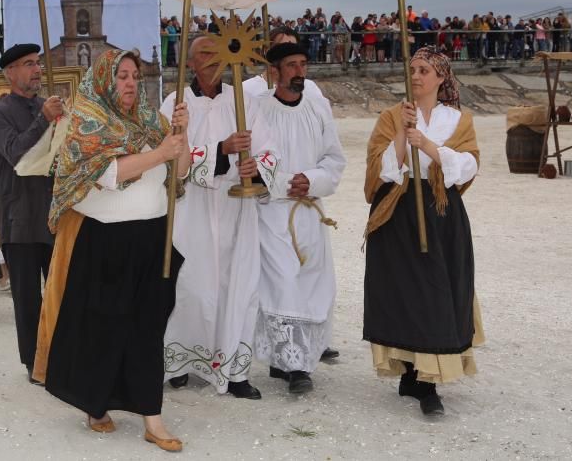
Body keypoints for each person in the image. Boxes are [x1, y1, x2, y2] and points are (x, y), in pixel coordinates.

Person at [33, 49, 191, 452]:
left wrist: (181, 135)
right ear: (104, 78)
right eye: (121, 75)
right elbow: (107, 173)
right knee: (102, 327)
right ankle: (95, 402)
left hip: (153, 237)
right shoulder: (85, 120)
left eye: (135, 76)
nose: (129, 83)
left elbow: (183, 170)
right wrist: (161, 153)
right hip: (105, 241)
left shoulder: (153, 120)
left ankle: (152, 418)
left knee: (148, 328)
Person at [363, 46, 483, 416]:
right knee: (405, 292)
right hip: (399, 212)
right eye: (412, 69)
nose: (416, 76)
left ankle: (428, 380)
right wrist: (402, 131)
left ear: (441, 77)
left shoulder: (458, 120)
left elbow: (469, 166)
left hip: (441, 214)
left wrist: (429, 146)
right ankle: (412, 372)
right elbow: (380, 170)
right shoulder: (391, 116)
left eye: (424, 70)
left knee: (437, 290)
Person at [162, 36, 280, 400]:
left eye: (218, 56)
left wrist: (255, 168)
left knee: (238, 287)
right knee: (190, 287)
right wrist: (222, 152)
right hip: (192, 209)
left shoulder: (243, 102)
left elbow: (270, 150)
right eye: (205, 56)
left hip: (235, 209)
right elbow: (169, 154)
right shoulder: (176, 103)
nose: (213, 63)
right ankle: (180, 362)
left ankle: (235, 371)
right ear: (192, 62)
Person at [252, 43, 346, 394]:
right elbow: (253, 158)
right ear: (274, 72)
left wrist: (313, 179)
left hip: (311, 211)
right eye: (291, 65)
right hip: (273, 212)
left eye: (303, 64)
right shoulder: (257, 109)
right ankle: (295, 368)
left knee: (312, 283)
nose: (299, 71)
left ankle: (294, 359)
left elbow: (334, 159)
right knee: (282, 283)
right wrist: (283, 183)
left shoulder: (319, 108)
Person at [0, 44, 63, 383]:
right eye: (28, 64)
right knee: (28, 296)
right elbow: (17, 153)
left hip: (51, 212)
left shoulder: (44, 107)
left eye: (38, 64)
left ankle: (59, 354)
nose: (36, 70)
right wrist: (43, 119)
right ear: (10, 73)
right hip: (19, 216)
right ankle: (35, 363)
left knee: (60, 290)